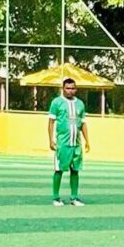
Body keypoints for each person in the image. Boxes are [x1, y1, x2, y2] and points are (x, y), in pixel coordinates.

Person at [48, 78, 90, 206]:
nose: (70, 91)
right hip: (63, 143)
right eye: (67, 88)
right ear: (63, 89)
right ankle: (56, 197)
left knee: (75, 170)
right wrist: (51, 140)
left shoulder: (80, 104)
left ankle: (74, 197)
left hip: (76, 143)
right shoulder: (57, 103)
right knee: (59, 170)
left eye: (72, 88)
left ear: (76, 89)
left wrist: (87, 140)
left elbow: (83, 123)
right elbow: (51, 122)